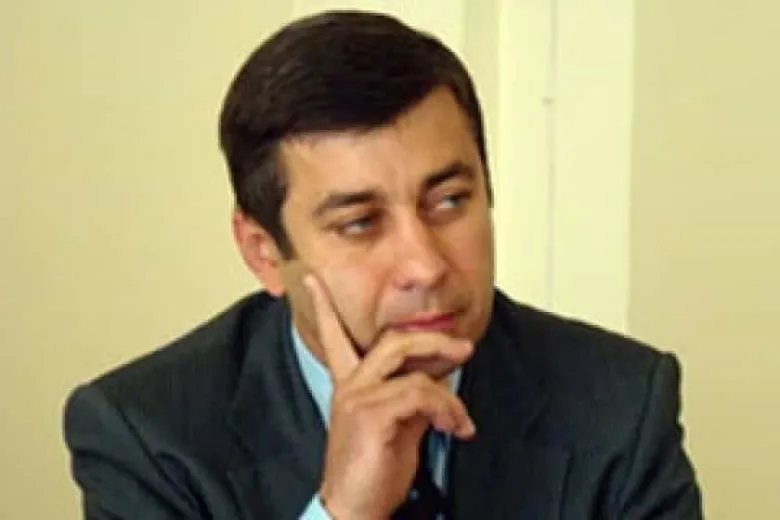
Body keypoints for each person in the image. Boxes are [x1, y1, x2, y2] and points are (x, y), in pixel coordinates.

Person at [63, 10, 703, 519]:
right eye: (360, 223)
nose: (425, 266)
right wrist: (343, 512)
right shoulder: (148, 435)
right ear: (264, 253)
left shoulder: (620, 404)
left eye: (449, 202)